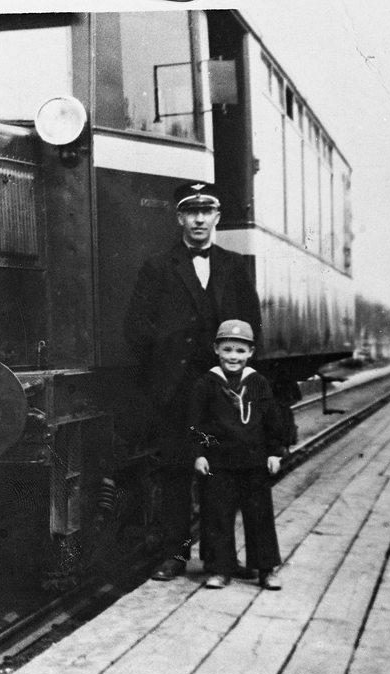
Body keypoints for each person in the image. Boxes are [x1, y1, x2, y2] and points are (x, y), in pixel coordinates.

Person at [125, 181, 262, 581]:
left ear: (217, 217)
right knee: (175, 472)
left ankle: (220, 559)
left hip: (223, 390)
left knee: (221, 475)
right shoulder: (157, 266)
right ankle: (176, 556)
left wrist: (242, 380)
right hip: (177, 391)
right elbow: (135, 326)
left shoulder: (235, 266)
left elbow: (252, 324)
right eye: (191, 212)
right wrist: (162, 369)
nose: (199, 219)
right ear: (179, 218)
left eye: (206, 211)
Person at [188, 320, 287, 590]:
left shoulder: (258, 383)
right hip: (218, 463)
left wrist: (274, 453)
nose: (234, 356)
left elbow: (272, 421)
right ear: (216, 349)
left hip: (254, 462)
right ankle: (220, 569)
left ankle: (266, 569)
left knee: (260, 516)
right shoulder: (206, 384)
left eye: (240, 351)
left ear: (251, 352)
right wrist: (199, 454)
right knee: (217, 516)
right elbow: (195, 424)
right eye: (228, 349)